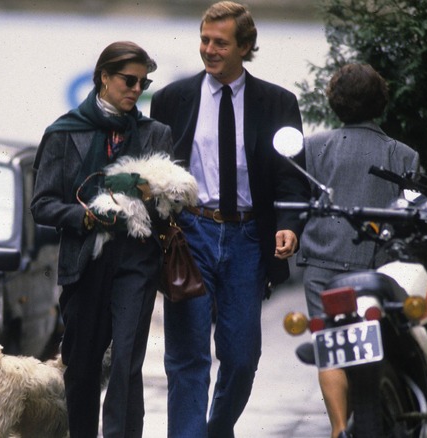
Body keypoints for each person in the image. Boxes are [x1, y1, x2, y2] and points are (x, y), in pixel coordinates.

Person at [150, 2, 310, 436]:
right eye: (204, 39)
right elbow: (155, 171)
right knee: (188, 356)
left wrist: (288, 227)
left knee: (241, 357)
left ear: (245, 46)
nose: (209, 50)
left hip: (247, 240)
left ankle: (217, 428)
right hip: (190, 234)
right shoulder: (171, 99)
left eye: (220, 42)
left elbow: (293, 180)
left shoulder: (277, 103)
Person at [30, 41, 172, 438]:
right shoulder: (63, 132)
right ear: (104, 77)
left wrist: (154, 194)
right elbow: (41, 205)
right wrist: (83, 215)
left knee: (126, 361)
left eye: (143, 83)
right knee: (84, 364)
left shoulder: (155, 134)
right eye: (128, 80)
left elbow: (170, 205)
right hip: (84, 262)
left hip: (137, 259)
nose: (135, 89)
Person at [297, 63, 420, 438]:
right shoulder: (403, 155)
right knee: (370, 346)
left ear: (335, 102)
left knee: (330, 345)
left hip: (321, 261)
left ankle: (338, 428)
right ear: (380, 102)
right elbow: (410, 214)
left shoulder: (315, 147)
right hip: (375, 269)